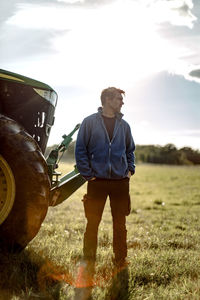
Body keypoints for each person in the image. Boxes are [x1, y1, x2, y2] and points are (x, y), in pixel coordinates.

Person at [75, 87, 135, 275]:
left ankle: (120, 260)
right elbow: (80, 149)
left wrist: (129, 171)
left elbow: (130, 150)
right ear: (108, 100)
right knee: (92, 223)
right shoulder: (89, 122)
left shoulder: (124, 125)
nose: (122, 102)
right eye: (119, 99)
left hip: (120, 182)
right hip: (97, 181)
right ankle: (89, 258)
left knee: (120, 223)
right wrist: (88, 174)